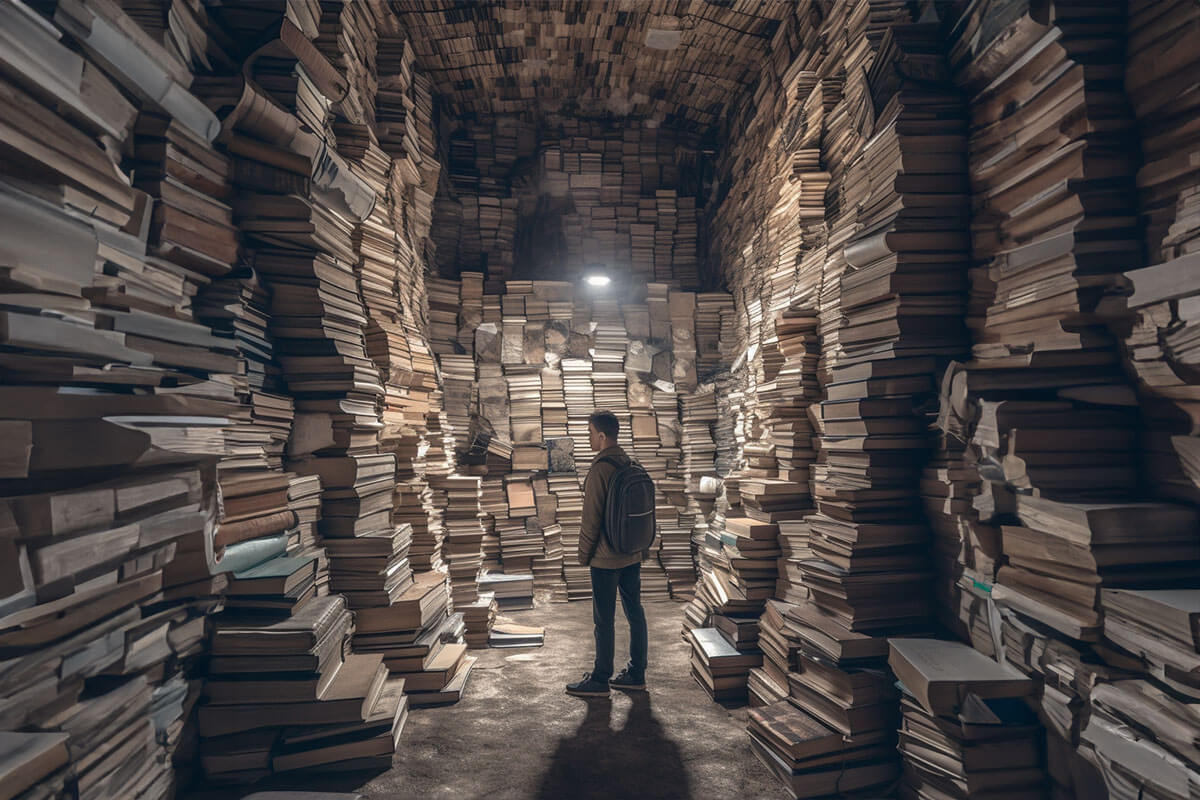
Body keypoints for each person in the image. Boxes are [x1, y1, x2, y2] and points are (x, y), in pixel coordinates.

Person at [566, 410, 649, 697]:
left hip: (605, 558)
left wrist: (583, 555)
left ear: (602, 436)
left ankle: (601, 679)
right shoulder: (630, 463)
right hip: (632, 553)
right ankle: (636, 674)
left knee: (604, 620)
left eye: (590, 433)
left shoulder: (600, 469)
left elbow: (590, 520)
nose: (588, 438)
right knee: (635, 612)